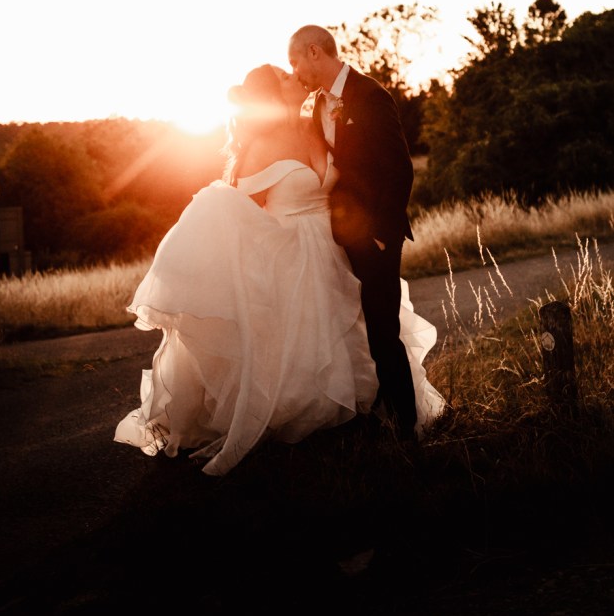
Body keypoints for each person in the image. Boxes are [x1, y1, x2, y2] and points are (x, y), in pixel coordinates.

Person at [114, 63, 443, 475]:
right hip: (291, 255)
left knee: (356, 331)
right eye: (286, 77)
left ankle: (369, 414)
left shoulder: (312, 126)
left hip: (336, 248)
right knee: (301, 342)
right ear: (273, 95)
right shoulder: (259, 145)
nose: (295, 78)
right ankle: (303, 422)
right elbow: (239, 211)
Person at [288, 25, 420, 441]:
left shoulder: (370, 94)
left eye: (295, 62)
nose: (295, 72)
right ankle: (376, 412)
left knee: (383, 330)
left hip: (378, 235)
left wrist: (382, 232)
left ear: (314, 52)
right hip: (342, 234)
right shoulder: (315, 106)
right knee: (357, 328)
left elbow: (399, 168)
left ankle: (407, 428)